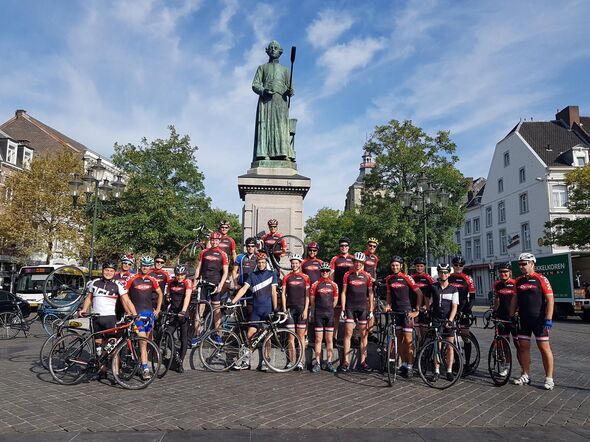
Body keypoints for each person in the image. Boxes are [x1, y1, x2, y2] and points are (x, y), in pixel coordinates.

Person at [79, 260, 137, 379]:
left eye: (111, 271)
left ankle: (115, 372)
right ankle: (102, 370)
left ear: (114, 272)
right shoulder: (94, 282)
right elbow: (89, 298)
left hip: (110, 319)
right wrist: (84, 309)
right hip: (96, 318)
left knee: (112, 348)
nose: (108, 272)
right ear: (103, 270)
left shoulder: (117, 285)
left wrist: (134, 314)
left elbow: (126, 300)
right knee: (99, 346)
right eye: (106, 270)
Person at [513, 253, 555, 390]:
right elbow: (514, 300)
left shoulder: (541, 279)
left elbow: (550, 299)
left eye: (524, 263)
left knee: (544, 348)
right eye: (519, 264)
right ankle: (525, 375)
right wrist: (511, 315)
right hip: (524, 320)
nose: (521, 266)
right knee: (523, 348)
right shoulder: (518, 281)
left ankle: (549, 378)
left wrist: (548, 319)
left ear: (532, 263)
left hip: (539, 320)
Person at [231, 252, 279, 371]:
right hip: (256, 310)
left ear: (266, 263)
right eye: (259, 262)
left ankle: (265, 361)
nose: (261, 264)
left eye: (263, 262)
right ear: (256, 263)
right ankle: (246, 361)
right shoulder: (252, 275)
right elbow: (243, 289)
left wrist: (276, 308)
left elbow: (274, 292)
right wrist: (233, 301)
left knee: (267, 337)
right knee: (250, 335)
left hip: (267, 309)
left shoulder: (272, 274)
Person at [251, 40, 295, 162]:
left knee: (280, 127)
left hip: (280, 102)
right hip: (266, 102)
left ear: (280, 52)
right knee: (265, 126)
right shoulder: (262, 68)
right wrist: (264, 90)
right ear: (267, 51)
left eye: (276, 48)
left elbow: (291, 89)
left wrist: (289, 91)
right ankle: (263, 153)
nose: (273, 49)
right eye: (271, 48)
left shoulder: (286, 70)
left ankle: (281, 153)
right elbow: (255, 85)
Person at [124, 256, 164, 380]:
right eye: (143, 265)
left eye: (147, 265)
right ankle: (145, 368)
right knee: (142, 340)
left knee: (147, 342)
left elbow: (160, 294)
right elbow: (124, 296)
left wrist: (157, 309)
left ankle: (141, 364)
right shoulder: (132, 278)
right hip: (137, 314)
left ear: (150, 266)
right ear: (140, 265)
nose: (145, 267)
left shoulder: (152, 279)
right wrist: (129, 312)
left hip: (149, 314)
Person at [384, 256, 423, 378]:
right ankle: (404, 364)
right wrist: (388, 305)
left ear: (401, 266)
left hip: (406, 312)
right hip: (396, 313)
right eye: (393, 265)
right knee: (399, 341)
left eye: (397, 265)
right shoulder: (389, 279)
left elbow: (419, 294)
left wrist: (417, 310)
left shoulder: (407, 278)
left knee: (408, 340)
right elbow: (389, 294)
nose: (395, 267)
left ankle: (411, 366)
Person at [340, 252, 374, 372]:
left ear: (363, 263)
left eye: (360, 262)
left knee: (363, 335)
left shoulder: (367, 276)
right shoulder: (347, 275)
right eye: (356, 262)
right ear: (353, 262)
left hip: (363, 308)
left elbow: (370, 294)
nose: (358, 264)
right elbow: (343, 292)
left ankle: (363, 362)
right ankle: (346, 361)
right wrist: (343, 309)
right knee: (348, 333)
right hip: (350, 307)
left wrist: (371, 309)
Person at [194, 231, 229, 331]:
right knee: (200, 308)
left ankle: (218, 333)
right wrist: (195, 282)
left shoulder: (223, 254)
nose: (214, 242)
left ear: (219, 241)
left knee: (216, 308)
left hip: (215, 283)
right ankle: (197, 334)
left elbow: (226, 272)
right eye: (212, 240)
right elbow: (198, 268)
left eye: (216, 240)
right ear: (210, 240)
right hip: (203, 282)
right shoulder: (203, 252)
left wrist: (220, 285)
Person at [430, 263, 459, 381]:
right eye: (441, 272)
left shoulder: (453, 289)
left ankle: (449, 371)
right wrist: (426, 309)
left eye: (446, 272)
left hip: (448, 320)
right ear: (439, 273)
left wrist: (450, 320)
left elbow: (455, 306)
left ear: (449, 274)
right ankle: (436, 371)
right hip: (436, 319)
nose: (443, 274)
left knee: (449, 347)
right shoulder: (433, 287)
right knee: (437, 346)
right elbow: (427, 299)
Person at [281, 253, 310, 371]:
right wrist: (284, 309)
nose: (294, 265)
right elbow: (283, 294)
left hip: (301, 308)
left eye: (296, 263)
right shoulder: (286, 277)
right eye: (292, 263)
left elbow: (307, 296)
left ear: (299, 264)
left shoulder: (305, 277)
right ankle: (291, 361)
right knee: (290, 336)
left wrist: (306, 309)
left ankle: (301, 361)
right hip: (290, 309)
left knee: (301, 336)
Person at [309, 262, 339, 373]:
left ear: (329, 272)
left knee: (329, 339)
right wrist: (314, 311)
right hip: (319, 314)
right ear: (320, 272)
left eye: (327, 271)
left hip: (329, 314)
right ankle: (317, 362)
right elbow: (312, 300)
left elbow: (335, 300)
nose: (325, 273)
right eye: (323, 271)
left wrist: (330, 309)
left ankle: (329, 362)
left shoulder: (334, 285)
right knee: (318, 339)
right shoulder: (315, 284)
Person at [492, 261, 520, 375]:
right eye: (501, 272)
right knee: (504, 344)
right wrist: (494, 311)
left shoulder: (515, 283)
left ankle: (524, 370)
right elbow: (497, 298)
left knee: (518, 344)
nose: (503, 274)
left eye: (505, 272)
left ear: (510, 273)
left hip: (513, 318)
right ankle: (506, 367)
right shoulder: (497, 284)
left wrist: (517, 312)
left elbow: (519, 299)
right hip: (502, 317)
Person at [449, 255, 476, 367]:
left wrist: (467, 310)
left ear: (463, 266)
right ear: (453, 266)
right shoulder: (448, 277)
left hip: (463, 310)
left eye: (461, 265)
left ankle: (468, 362)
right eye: (456, 265)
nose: (458, 267)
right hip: (450, 310)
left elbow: (473, 297)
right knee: (452, 337)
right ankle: (455, 362)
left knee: (465, 336)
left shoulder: (467, 278)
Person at [166, 264, 193, 373]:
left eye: (182, 275)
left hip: (183, 312)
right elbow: (168, 295)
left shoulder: (188, 282)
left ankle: (180, 362)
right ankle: (175, 354)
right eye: (178, 275)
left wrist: (183, 311)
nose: (180, 277)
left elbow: (187, 296)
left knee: (183, 338)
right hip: (173, 312)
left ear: (185, 274)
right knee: (168, 334)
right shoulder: (171, 282)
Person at [329, 236, 354, 341]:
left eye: (345, 246)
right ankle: (334, 337)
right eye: (341, 246)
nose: (343, 247)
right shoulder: (335, 259)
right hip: (339, 288)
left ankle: (352, 337)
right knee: (336, 315)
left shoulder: (353, 258)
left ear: (348, 247)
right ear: (339, 247)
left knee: (352, 314)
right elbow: (331, 275)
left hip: (351, 290)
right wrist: (332, 289)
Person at [411, 257, 435, 345]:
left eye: (421, 266)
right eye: (417, 266)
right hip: (415, 308)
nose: (419, 268)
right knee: (416, 335)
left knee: (424, 333)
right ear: (415, 267)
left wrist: (426, 306)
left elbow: (434, 295)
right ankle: (417, 353)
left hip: (425, 309)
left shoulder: (429, 279)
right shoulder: (412, 278)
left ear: (424, 267)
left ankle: (424, 352)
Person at [232, 237, 258, 314]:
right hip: (241, 284)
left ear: (255, 247)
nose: (250, 248)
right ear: (246, 247)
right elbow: (234, 271)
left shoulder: (258, 257)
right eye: (248, 246)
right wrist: (235, 284)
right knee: (238, 308)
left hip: (251, 286)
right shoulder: (240, 257)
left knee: (250, 308)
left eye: (252, 246)